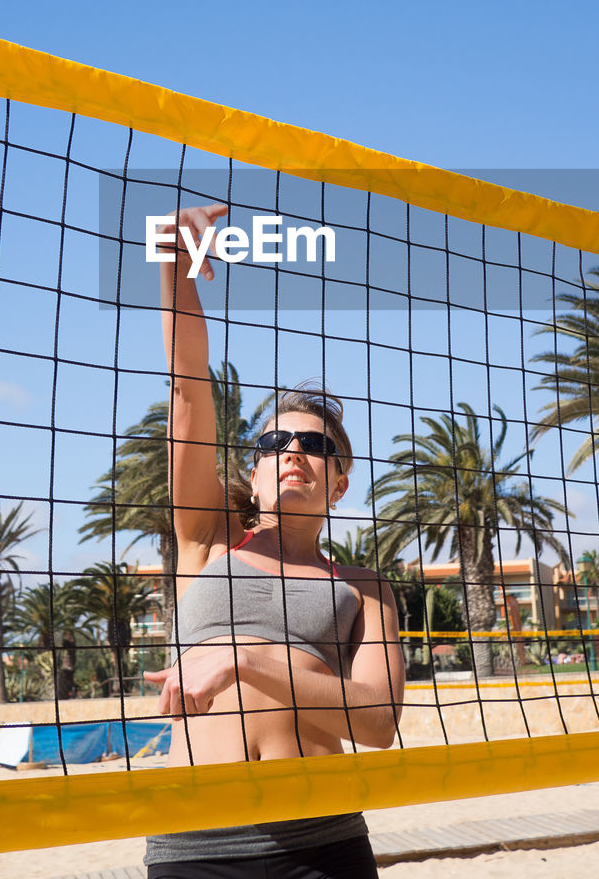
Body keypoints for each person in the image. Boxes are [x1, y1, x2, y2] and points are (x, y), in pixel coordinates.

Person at [142, 203, 406, 879]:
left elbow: (377, 723)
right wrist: (175, 266)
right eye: (274, 442)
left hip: (323, 844)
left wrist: (243, 661)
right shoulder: (203, 540)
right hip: (197, 846)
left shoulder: (366, 588)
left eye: (314, 445)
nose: (293, 451)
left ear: (339, 484)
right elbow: (189, 389)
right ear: (253, 470)